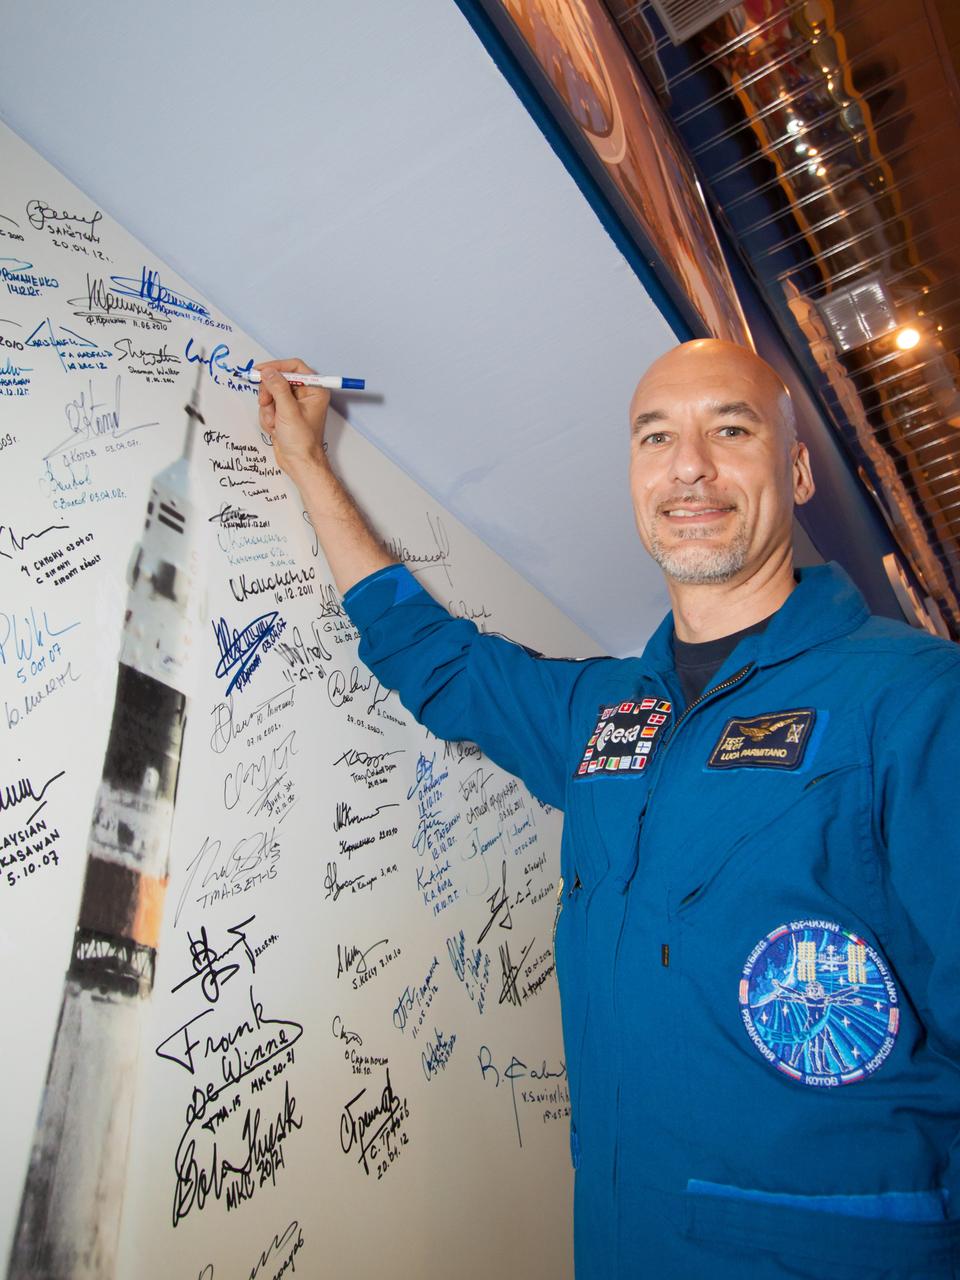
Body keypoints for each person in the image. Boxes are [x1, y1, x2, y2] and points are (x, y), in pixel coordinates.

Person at [257, 340, 960, 1279]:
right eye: (655, 437)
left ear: (796, 473)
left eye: (731, 430)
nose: (689, 466)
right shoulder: (605, 714)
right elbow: (435, 659)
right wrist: (307, 464)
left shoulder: (917, 700)